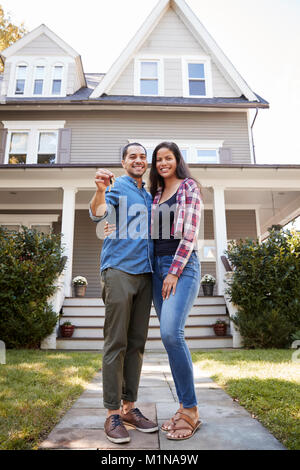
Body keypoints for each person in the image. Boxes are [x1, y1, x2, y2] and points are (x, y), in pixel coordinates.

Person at [104, 141, 203, 441]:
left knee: (171, 334)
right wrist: (111, 221)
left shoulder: (188, 187)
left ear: (177, 160)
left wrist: (173, 271)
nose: (161, 163)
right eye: (157, 159)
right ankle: (119, 411)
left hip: (179, 267)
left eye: (166, 158)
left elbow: (189, 234)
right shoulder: (153, 194)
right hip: (153, 270)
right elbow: (112, 216)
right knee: (140, 339)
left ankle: (190, 409)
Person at [89, 143, 158, 444]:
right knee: (115, 342)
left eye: (143, 157)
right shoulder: (116, 188)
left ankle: (129, 408)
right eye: (133, 156)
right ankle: (111, 413)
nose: (139, 160)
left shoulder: (150, 194)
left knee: (136, 344)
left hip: (146, 274)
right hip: (118, 269)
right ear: (123, 162)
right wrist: (101, 190)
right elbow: (97, 213)